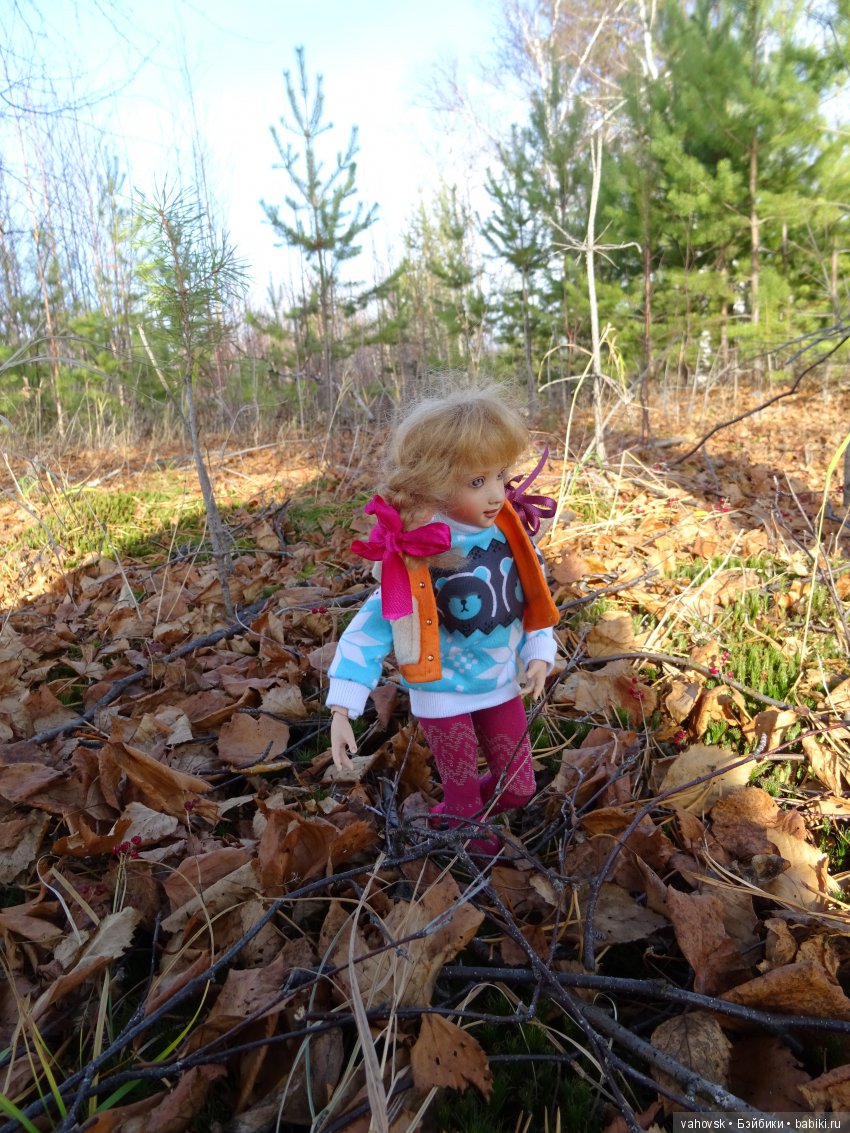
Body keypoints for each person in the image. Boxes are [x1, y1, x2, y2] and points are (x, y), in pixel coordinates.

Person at [327, 384, 559, 854]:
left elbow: (531, 596)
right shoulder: (419, 550)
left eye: (499, 475)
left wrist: (538, 649)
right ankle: (469, 852)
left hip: (501, 682)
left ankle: (451, 820)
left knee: (519, 787)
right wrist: (343, 705)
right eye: (476, 483)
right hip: (441, 695)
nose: (497, 494)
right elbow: (375, 624)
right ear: (433, 481)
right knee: (463, 791)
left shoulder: (510, 533)